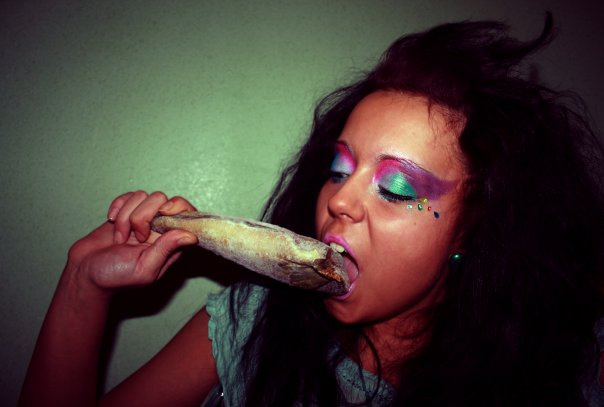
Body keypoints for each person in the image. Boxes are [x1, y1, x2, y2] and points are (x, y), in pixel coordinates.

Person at [19, 14, 604, 406]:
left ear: (473, 230)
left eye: (397, 187)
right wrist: (82, 285)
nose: (339, 201)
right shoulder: (254, 319)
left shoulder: (561, 365)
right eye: (339, 170)